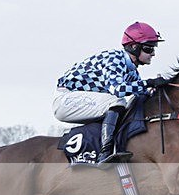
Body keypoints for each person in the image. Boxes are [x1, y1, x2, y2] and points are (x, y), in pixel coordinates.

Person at [53, 21, 168, 165]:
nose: (153, 54)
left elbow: (142, 93)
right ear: (134, 47)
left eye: (153, 49)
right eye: (148, 49)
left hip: (81, 100)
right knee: (117, 101)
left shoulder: (131, 70)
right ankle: (105, 153)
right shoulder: (114, 57)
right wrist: (149, 82)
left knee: (127, 105)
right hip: (66, 100)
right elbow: (118, 89)